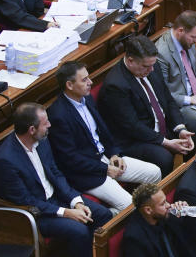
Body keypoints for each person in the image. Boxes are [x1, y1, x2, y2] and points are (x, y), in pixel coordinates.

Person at [0, 102, 112, 257]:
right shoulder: (6, 160)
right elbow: (25, 200)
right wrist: (66, 212)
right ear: (32, 130)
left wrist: (75, 202)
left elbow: (55, 173)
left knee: (103, 215)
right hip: (35, 214)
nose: (49, 126)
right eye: (45, 123)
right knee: (79, 230)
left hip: (57, 198)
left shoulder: (43, 141)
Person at [47, 61, 162, 214]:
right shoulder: (58, 115)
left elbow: (103, 131)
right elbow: (70, 158)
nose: (91, 82)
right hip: (87, 173)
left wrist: (115, 153)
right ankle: (109, 217)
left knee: (154, 173)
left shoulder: (86, 99)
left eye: (88, 78)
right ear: (69, 85)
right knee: (129, 205)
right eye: (84, 80)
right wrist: (105, 169)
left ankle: (144, 214)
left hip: (106, 158)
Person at [98, 35, 195, 177]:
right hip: (134, 139)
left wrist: (180, 128)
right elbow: (132, 126)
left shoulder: (150, 67)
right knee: (164, 158)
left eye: (152, 64)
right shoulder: (116, 85)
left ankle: (188, 178)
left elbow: (167, 100)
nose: (151, 70)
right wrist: (165, 142)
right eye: (146, 66)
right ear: (130, 60)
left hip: (161, 127)